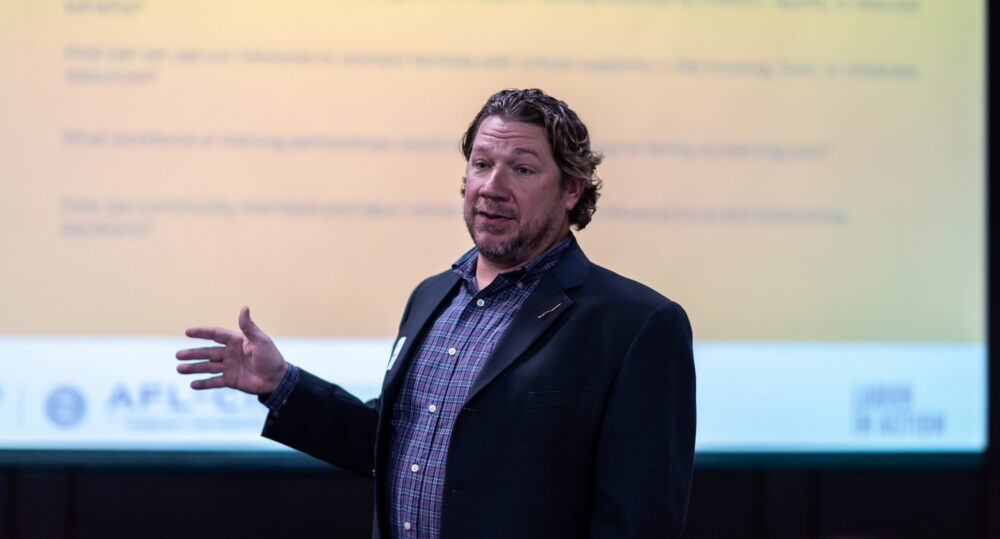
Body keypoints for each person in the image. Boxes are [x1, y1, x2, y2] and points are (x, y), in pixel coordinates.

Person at [176, 88, 696, 539]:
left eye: (522, 168)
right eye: (481, 163)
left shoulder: (635, 326)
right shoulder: (433, 296)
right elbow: (396, 442)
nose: (492, 186)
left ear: (571, 190)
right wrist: (281, 383)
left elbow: (639, 522)